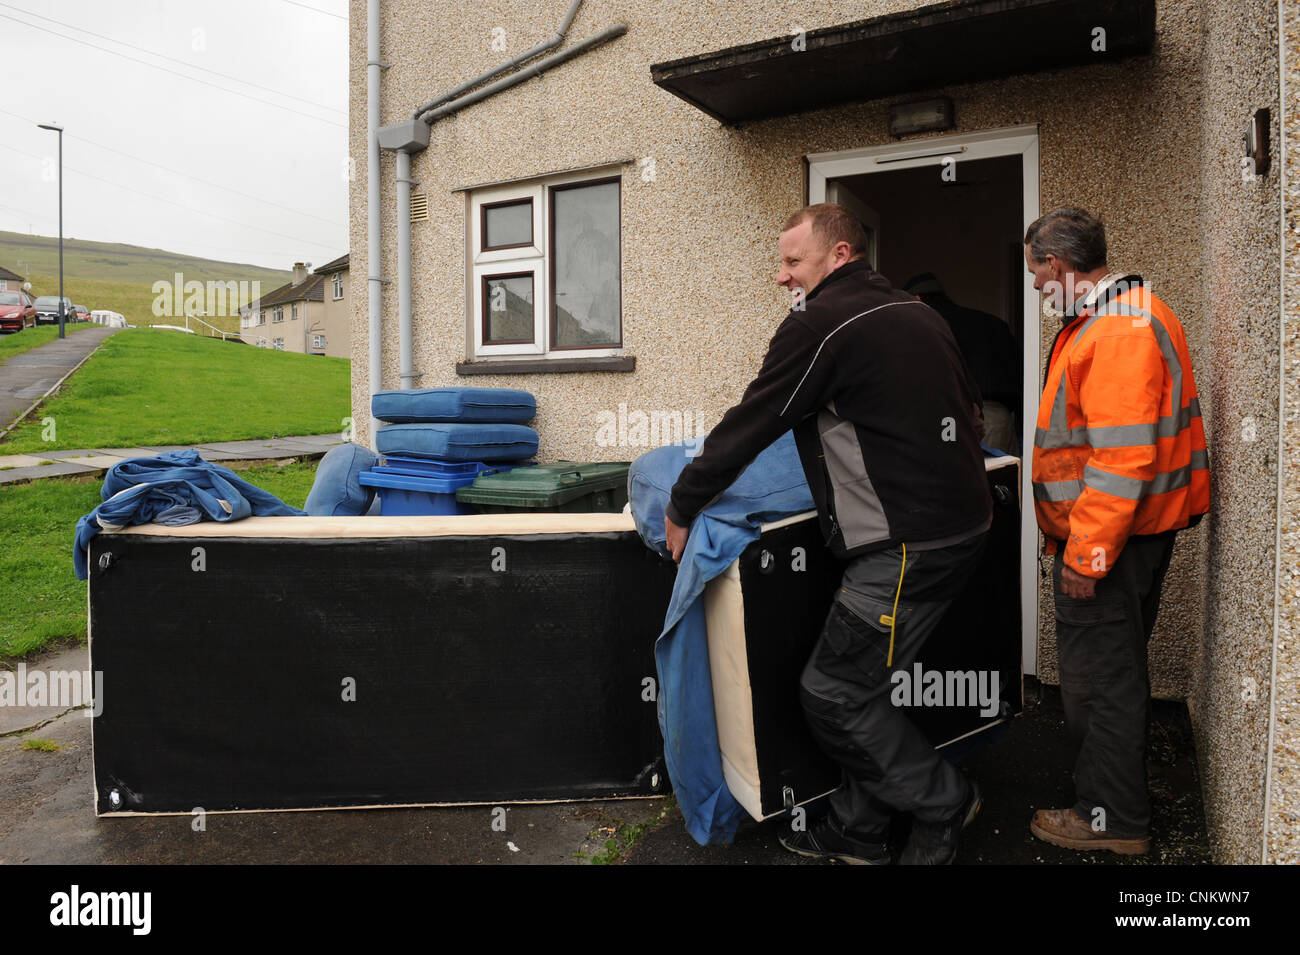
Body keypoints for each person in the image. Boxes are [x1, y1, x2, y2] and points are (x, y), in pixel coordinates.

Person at [664, 203, 993, 865]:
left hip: (909, 548)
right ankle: (857, 827)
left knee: (834, 691)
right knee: (865, 686)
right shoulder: (917, 312)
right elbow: (971, 415)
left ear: (839, 255)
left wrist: (681, 504)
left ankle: (944, 800)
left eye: (792, 261)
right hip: (966, 524)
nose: (781, 277)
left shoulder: (821, 323)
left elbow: (754, 420)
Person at [1023, 207, 1209, 855]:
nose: (1037, 289)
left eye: (1036, 276)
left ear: (1058, 266)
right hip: (1135, 539)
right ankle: (1117, 800)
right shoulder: (1131, 314)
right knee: (1117, 673)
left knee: (1101, 683)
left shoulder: (1118, 329)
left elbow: (1121, 455)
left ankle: (1111, 819)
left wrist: (1086, 552)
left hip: (1112, 546)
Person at [904, 273, 1022, 454]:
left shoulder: (931, 328)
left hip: (953, 418)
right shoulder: (993, 324)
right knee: (1002, 478)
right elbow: (1019, 377)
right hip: (999, 418)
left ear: (918, 298)